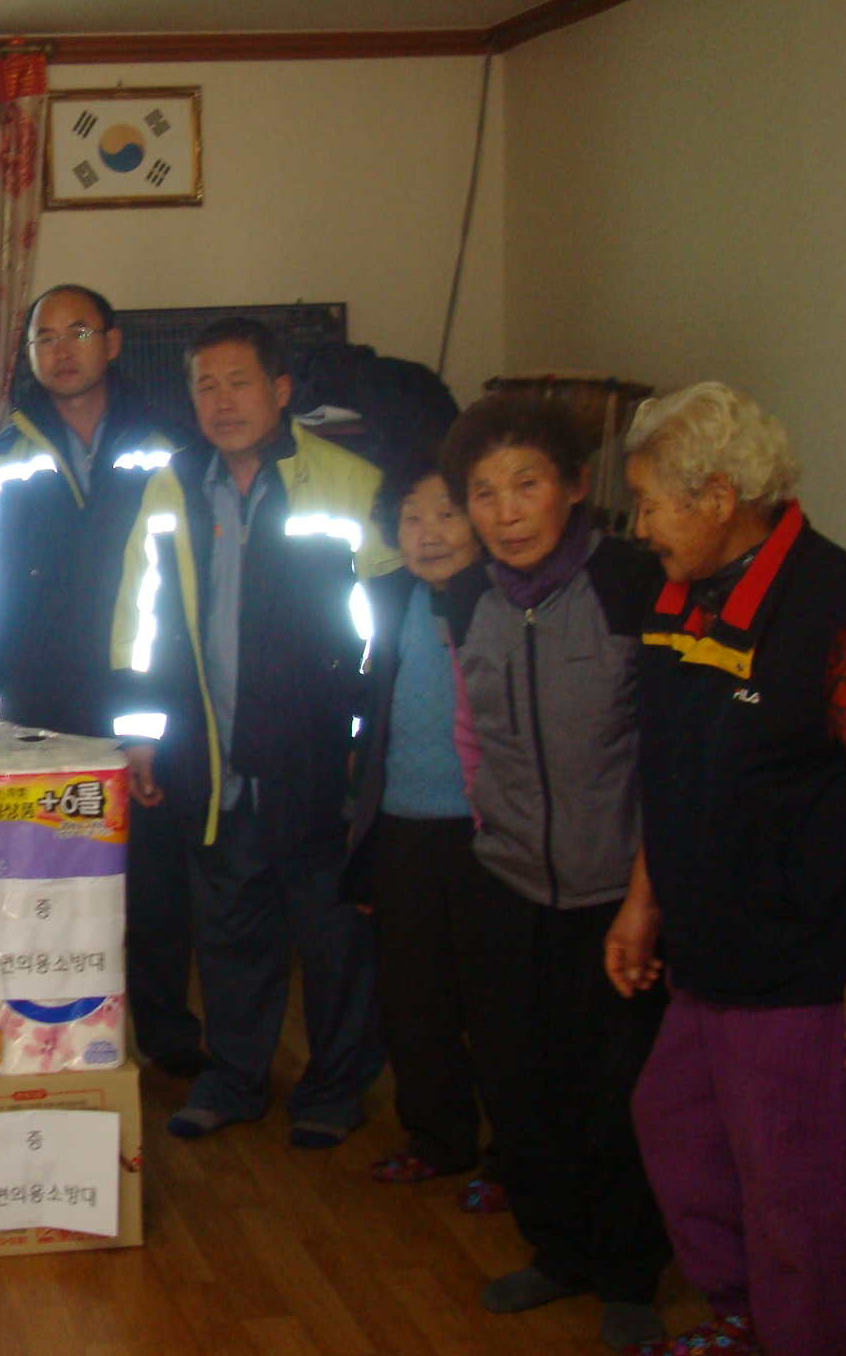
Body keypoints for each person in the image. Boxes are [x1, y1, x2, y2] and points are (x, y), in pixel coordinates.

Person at [608, 383, 846, 1356]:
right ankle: (742, 1315)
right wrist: (641, 901)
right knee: (675, 1128)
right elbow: (672, 767)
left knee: (799, 1195)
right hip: (704, 954)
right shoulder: (681, 593)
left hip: (798, 968)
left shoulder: (840, 611)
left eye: (650, 504)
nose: (639, 528)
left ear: (718, 497)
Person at [112, 317, 390, 1152]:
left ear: (280, 390)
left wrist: (366, 738)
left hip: (317, 753)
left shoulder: (346, 481)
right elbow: (139, 618)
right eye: (206, 385)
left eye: (239, 382)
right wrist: (140, 734)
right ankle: (234, 1079)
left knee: (333, 938)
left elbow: (385, 623)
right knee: (231, 932)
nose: (222, 401)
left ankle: (333, 1089)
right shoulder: (173, 485)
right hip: (214, 753)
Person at [434, 391, 669, 1352]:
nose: (506, 512)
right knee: (522, 1087)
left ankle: (629, 1271)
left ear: (573, 487)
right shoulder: (466, 597)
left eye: (525, 485)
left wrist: (652, 893)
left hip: (619, 894)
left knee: (619, 1094)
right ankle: (559, 1250)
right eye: (484, 493)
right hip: (507, 883)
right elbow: (471, 732)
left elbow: (668, 749)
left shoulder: (633, 583)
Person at [0, 284, 206, 1073]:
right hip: (37, 707)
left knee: (155, 887)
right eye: (45, 338)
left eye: (79, 332)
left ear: (113, 343)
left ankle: (166, 1035)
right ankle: (51, 1035)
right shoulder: (4, 461)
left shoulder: (167, 449)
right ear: (30, 355)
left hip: (143, 700)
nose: (62, 350)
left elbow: (173, 597)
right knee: (49, 877)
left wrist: (145, 724)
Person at [341, 449, 508, 1211]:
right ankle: (438, 1139)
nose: (428, 532)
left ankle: (512, 1157)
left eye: (446, 513)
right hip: (403, 825)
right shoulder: (389, 597)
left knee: (494, 1001)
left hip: (486, 833)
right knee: (412, 998)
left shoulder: (502, 599)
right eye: (411, 517)